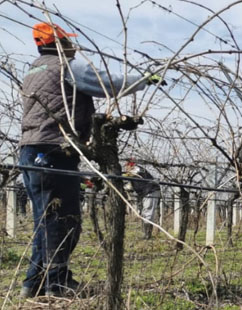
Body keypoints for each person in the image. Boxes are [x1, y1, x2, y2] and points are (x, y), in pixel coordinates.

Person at [19, 22, 161, 298]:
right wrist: (145, 79)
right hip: (54, 151)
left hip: (31, 150)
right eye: (68, 42)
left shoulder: (33, 71)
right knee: (64, 219)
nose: (74, 46)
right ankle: (56, 284)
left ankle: (32, 283)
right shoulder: (66, 66)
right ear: (58, 44)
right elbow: (106, 82)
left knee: (45, 219)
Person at [123, 161, 162, 239]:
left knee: (148, 212)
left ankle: (147, 235)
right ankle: (146, 234)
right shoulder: (133, 174)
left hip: (151, 191)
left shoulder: (138, 170)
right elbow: (131, 186)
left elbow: (135, 175)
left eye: (126, 166)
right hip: (146, 192)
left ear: (130, 165)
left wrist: (126, 176)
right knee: (144, 213)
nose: (125, 169)